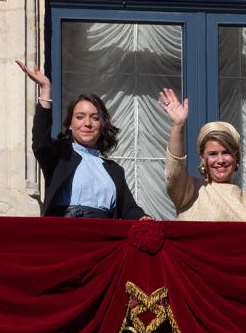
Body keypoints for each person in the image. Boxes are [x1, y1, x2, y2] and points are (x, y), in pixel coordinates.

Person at [16, 59, 148, 219]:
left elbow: (129, 209)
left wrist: (144, 219)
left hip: (102, 236)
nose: (87, 123)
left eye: (94, 118)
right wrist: (46, 90)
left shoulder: (114, 170)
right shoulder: (60, 155)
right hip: (65, 235)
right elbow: (40, 143)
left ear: (102, 125)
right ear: (70, 124)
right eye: (80, 117)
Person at [159, 87, 246, 223]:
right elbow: (174, 173)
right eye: (212, 154)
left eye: (226, 153)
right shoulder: (190, 190)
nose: (220, 160)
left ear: (236, 157)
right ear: (202, 158)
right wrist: (178, 126)